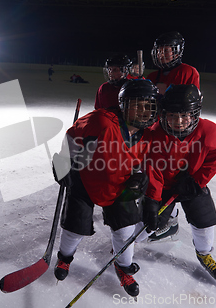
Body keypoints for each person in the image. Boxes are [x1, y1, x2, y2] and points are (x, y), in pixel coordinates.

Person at [52, 79, 164, 297]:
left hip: (120, 183)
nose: (144, 111)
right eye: (137, 104)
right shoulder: (101, 121)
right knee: (75, 226)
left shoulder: (149, 134)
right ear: (123, 104)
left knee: (125, 230)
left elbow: (146, 163)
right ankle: (64, 258)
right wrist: (63, 161)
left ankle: (123, 266)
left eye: (148, 105)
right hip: (86, 177)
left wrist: (140, 177)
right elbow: (72, 134)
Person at [147, 84, 216, 285]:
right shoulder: (154, 133)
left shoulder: (211, 132)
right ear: (163, 114)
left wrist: (197, 182)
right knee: (148, 222)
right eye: (172, 115)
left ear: (195, 114)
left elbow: (214, 161)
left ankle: (204, 253)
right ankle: (128, 246)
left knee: (204, 221)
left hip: (192, 185)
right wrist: (153, 199)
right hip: (164, 187)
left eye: (185, 115)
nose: (178, 121)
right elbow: (153, 170)